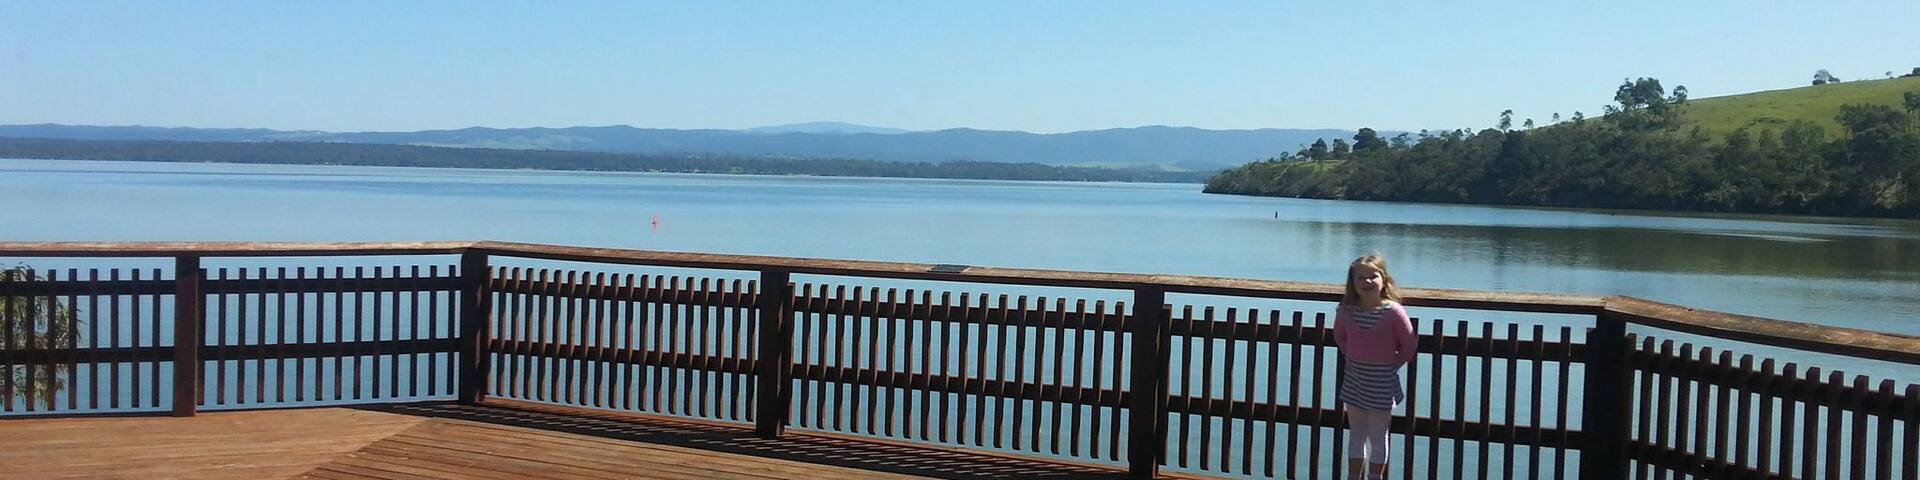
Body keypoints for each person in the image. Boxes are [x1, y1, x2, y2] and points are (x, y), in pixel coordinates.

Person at [1331, 254, 1416, 480]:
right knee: (1356, 434)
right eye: (1361, 278)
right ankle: (1353, 476)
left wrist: (1394, 364)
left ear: (1384, 279)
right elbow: (1340, 337)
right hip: (1355, 382)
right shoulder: (1346, 310)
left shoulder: (1393, 311)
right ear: (1353, 283)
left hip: (1382, 383)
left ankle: (1375, 477)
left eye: (1373, 276)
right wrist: (1352, 355)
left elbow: (1408, 343)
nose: (1367, 282)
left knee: (1378, 435)